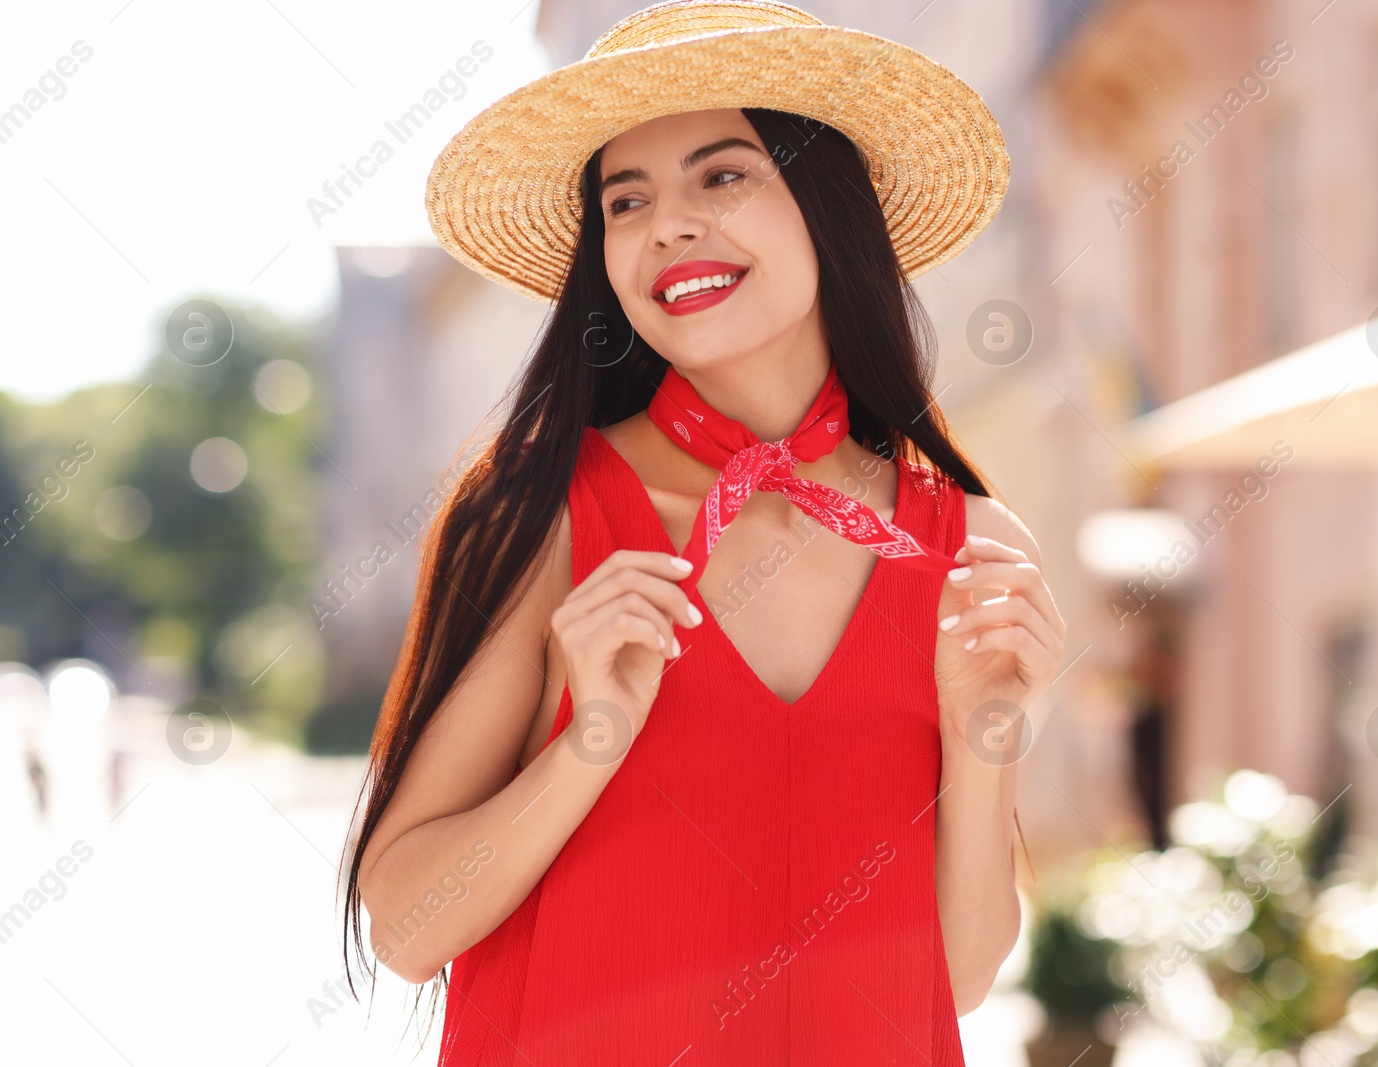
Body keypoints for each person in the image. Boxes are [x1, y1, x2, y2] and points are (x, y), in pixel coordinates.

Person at [340, 2, 1068, 1062]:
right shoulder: (541, 510)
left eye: (722, 175)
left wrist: (981, 732)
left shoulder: (968, 546)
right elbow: (404, 928)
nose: (666, 225)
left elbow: (951, 979)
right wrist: (590, 737)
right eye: (623, 200)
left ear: (830, 208)